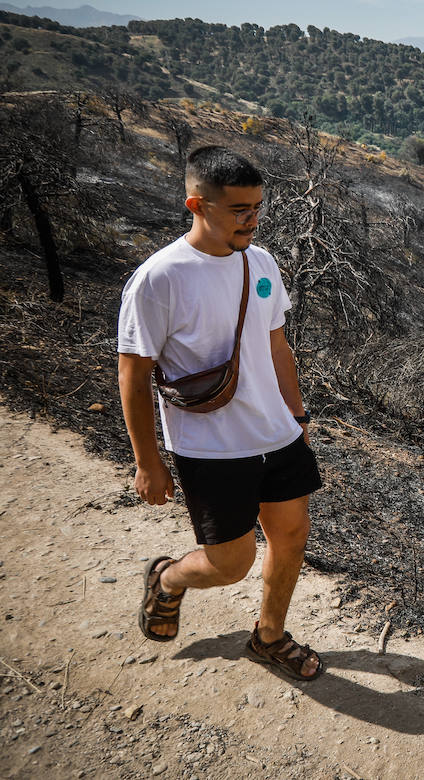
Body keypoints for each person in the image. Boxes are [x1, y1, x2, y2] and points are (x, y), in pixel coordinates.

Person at [117, 145, 322, 680]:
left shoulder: (262, 261)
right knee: (230, 564)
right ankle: (168, 579)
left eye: (257, 207)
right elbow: (133, 376)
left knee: (292, 534)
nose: (252, 220)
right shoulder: (160, 278)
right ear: (197, 205)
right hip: (210, 446)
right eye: (239, 210)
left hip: (276, 433)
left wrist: (297, 418)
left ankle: (269, 635)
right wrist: (147, 461)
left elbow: (276, 345)